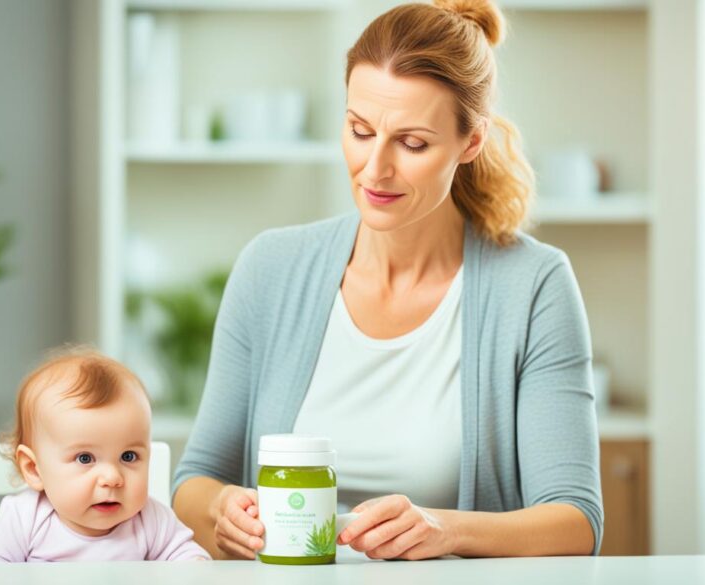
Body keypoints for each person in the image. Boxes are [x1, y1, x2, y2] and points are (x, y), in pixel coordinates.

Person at [172, 0, 602, 561]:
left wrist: (445, 530)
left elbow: (576, 521)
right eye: (359, 130)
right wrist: (220, 511)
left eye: (413, 143)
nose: (374, 168)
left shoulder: (532, 285)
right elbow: (195, 480)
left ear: (470, 143)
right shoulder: (270, 268)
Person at [0, 347, 210, 562]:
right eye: (85, 458)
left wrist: (195, 564)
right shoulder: (24, 518)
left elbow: (188, 556)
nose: (112, 477)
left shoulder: (151, 519)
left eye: (128, 456)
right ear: (33, 468)